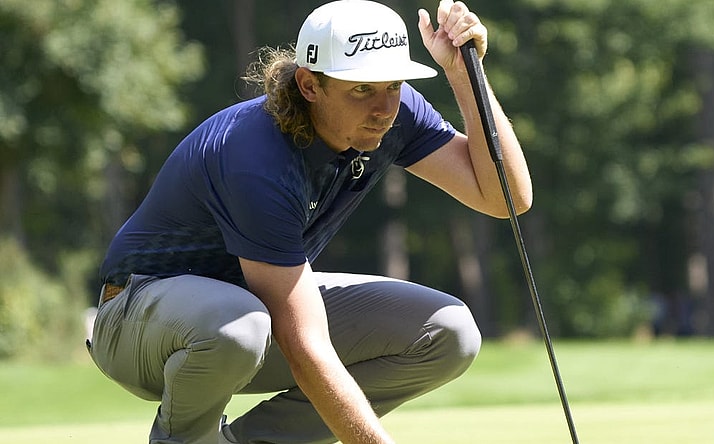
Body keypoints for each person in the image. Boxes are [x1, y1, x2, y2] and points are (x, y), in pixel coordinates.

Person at [88, 0, 532, 443]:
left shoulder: (394, 115)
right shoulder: (255, 157)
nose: (383, 108)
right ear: (309, 85)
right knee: (241, 325)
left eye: (394, 85)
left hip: (250, 310)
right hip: (136, 320)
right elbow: (304, 345)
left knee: (447, 333)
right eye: (361, 89)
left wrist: (462, 73)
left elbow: (506, 198)